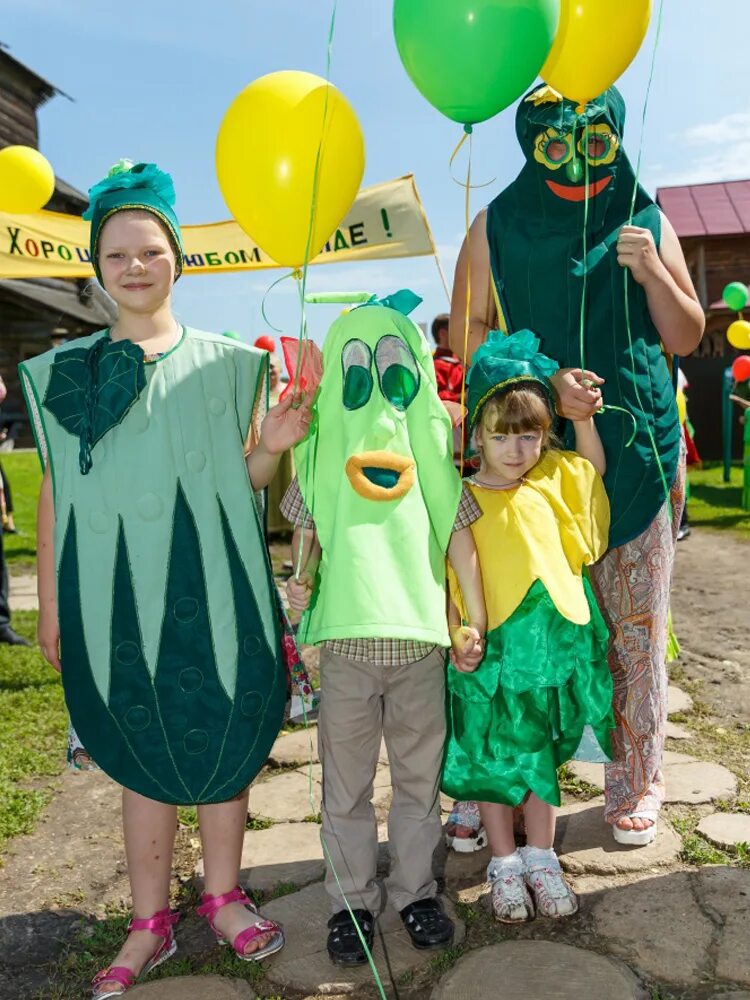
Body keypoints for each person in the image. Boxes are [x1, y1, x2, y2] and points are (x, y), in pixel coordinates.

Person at [19, 162, 312, 998]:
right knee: (139, 749)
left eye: (151, 251)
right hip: (112, 593)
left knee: (223, 737)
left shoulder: (227, 367)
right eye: (117, 256)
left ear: (177, 257)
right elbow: (55, 499)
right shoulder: (61, 373)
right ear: (97, 268)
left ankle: (222, 894)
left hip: (214, 587)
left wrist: (278, 437)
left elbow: (246, 477)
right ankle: (150, 920)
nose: (136, 267)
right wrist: (51, 601)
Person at [450, 85, 704, 847]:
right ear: (530, 141)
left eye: (594, 139)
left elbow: (688, 336)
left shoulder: (645, 213)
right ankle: (493, 781)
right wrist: (540, 379)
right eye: (554, 142)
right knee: (512, 621)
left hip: (636, 454)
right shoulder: (496, 223)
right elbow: (469, 335)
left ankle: (637, 775)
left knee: (633, 628)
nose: (574, 157)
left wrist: (654, 271)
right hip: (527, 462)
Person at [283, 291, 485, 967]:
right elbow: (303, 532)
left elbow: (460, 540)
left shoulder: (431, 447)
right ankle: (350, 903)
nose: (374, 389)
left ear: (418, 374)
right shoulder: (317, 450)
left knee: (418, 779)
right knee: (344, 784)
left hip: (421, 643)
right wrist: (300, 574)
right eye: (358, 371)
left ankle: (415, 891)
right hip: (346, 645)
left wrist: (471, 619)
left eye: (393, 370)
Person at [443, 330, 614, 921]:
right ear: (477, 436)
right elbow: (449, 577)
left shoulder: (551, 479)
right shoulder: (459, 497)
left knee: (539, 750)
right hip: (493, 653)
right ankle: (504, 862)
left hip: (549, 648)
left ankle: (541, 855)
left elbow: (591, 472)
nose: (516, 448)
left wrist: (584, 420)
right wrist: (458, 632)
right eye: (501, 434)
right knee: (493, 753)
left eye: (530, 433)